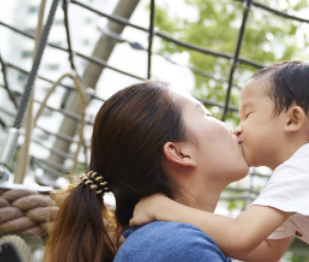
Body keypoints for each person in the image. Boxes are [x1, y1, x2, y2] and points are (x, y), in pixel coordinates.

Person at [44, 81, 250, 262]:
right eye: (207, 114)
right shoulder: (181, 247)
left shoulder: (161, 242)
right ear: (180, 152)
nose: (232, 127)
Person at [130, 61, 309, 262]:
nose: (238, 128)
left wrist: (161, 208)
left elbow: (240, 236)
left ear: (293, 120)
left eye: (248, 115)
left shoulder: (301, 166)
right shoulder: (291, 179)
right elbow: (268, 253)